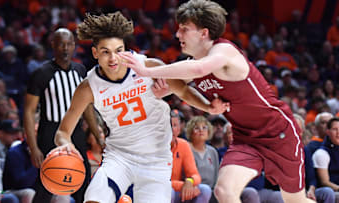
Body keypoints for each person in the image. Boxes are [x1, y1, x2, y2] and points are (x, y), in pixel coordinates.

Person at [119, 0, 315, 202]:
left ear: (204, 33)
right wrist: (166, 92)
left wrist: (146, 70)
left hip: (278, 133)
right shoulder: (193, 64)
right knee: (224, 192)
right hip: (245, 137)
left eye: (184, 29)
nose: (178, 35)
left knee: (294, 200)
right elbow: (180, 86)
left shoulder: (224, 52)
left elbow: (199, 70)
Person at [49, 12, 225, 203]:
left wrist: (208, 107)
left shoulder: (148, 67)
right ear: (95, 53)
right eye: (105, 51)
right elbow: (63, 132)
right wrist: (66, 144)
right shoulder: (88, 87)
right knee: (93, 200)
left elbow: (182, 91)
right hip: (119, 157)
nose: (113, 58)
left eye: (118, 50)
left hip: (156, 160)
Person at [23, 28, 101, 203]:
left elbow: (87, 108)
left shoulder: (81, 71)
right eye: (61, 44)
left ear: (74, 46)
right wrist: (33, 147)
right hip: (50, 132)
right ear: (53, 46)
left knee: (83, 178)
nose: (65, 49)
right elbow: (28, 112)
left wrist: (97, 135)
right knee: (47, 183)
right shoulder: (41, 73)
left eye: (68, 44)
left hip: (77, 132)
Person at [170, 110, 211, 203]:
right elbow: (160, 181)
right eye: (168, 125)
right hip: (158, 190)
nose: (171, 129)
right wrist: (184, 185)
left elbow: (195, 175)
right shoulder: (154, 146)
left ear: (179, 128)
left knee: (205, 190)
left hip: (179, 190)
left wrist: (190, 181)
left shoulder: (183, 145)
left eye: (175, 125)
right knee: (168, 191)